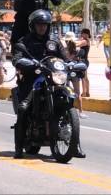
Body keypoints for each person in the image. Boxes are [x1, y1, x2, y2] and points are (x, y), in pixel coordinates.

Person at [12, 9, 85, 158]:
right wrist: (24, 62)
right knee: (24, 108)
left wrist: (72, 64)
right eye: (39, 24)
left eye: (45, 24)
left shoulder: (54, 41)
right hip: (32, 79)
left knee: (70, 102)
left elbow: (65, 58)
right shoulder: (25, 42)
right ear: (33, 25)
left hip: (53, 78)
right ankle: (18, 147)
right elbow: (16, 58)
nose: (42, 27)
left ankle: (74, 146)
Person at [76, 29, 91, 97]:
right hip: (85, 60)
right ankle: (87, 92)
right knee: (85, 77)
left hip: (83, 61)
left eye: (85, 33)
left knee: (83, 77)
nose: (83, 34)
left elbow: (77, 44)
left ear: (88, 34)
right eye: (83, 33)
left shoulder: (85, 41)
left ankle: (84, 92)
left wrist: (71, 42)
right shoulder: (87, 40)